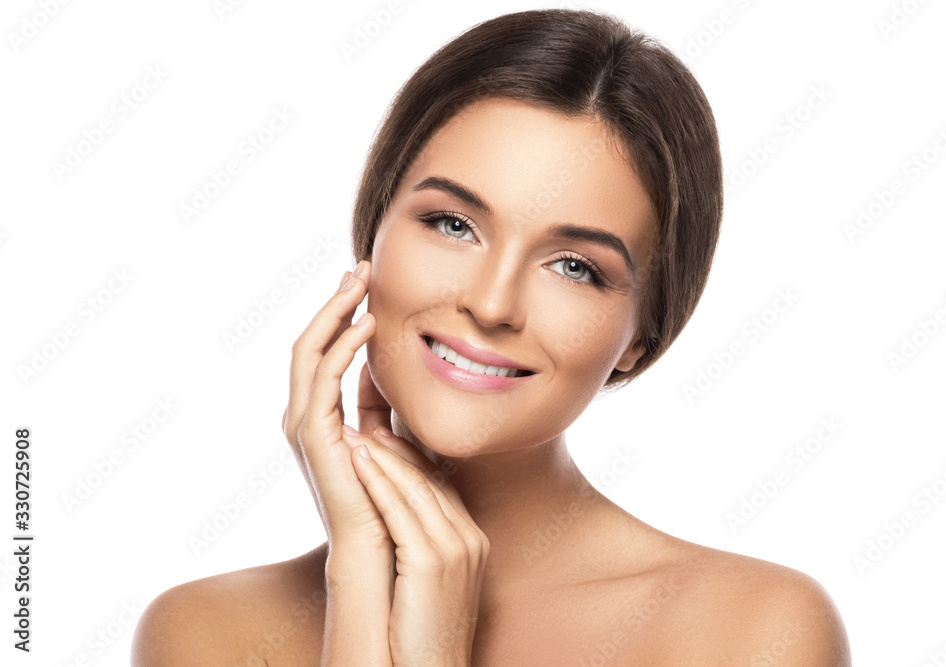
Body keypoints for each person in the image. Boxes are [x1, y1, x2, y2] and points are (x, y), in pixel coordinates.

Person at [132, 8, 851, 665]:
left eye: (575, 267)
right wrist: (358, 578)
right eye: (453, 224)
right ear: (374, 234)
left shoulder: (752, 632)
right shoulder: (203, 634)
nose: (491, 302)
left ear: (641, 335)